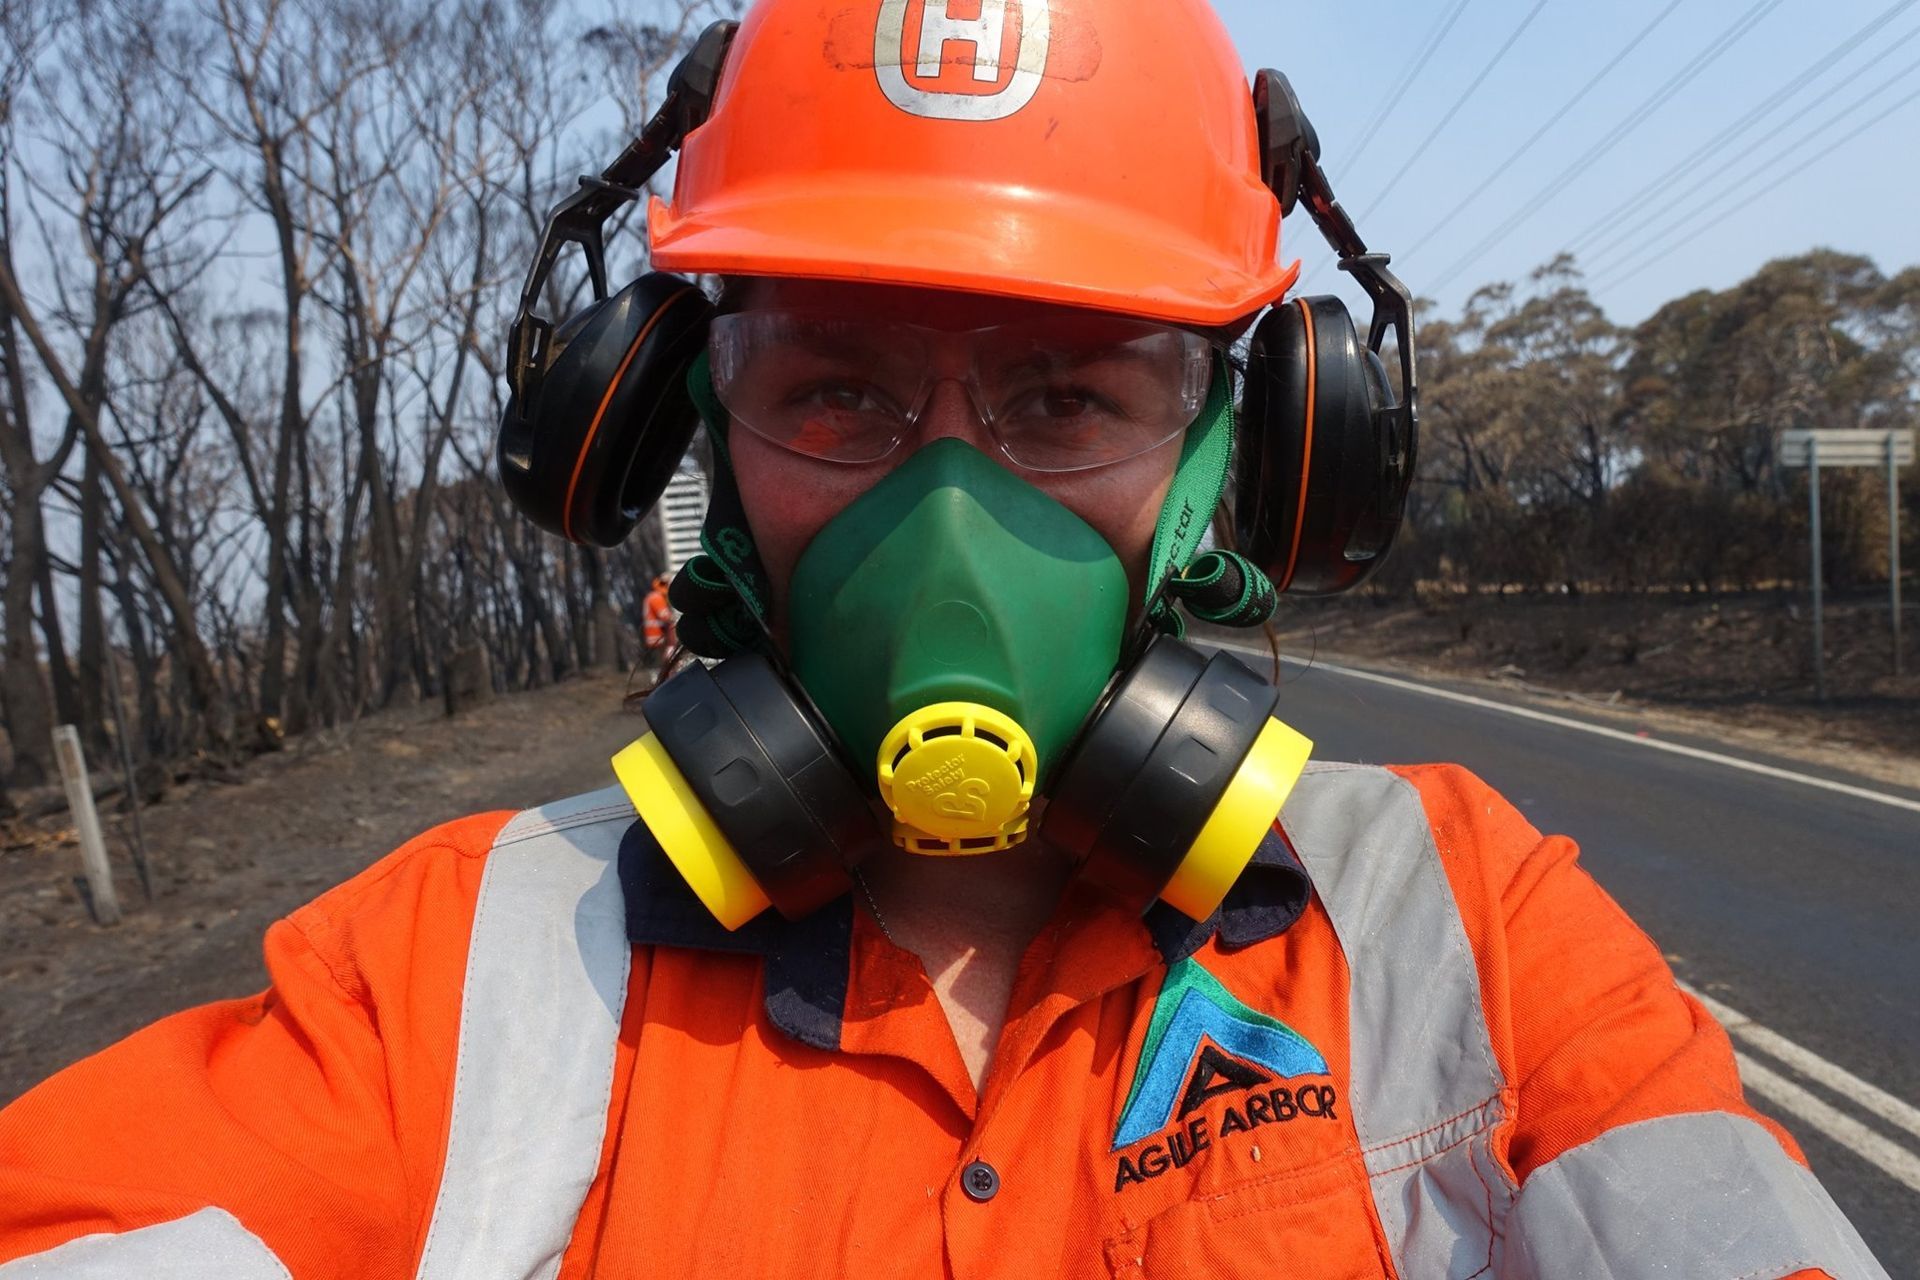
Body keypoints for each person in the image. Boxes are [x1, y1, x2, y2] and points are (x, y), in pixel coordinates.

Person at [0, 2, 1888, 1277]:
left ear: (1260, 457)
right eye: (835, 392)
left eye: (1069, 397)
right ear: (678, 440)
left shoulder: (1468, 928)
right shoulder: (442, 978)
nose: (951, 520)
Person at [642, 572, 676, 672]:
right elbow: (665, 617)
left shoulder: (655, 596)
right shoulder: (657, 598)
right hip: (658, 636)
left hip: (658, 636)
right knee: (664, 664)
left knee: (665, 663)